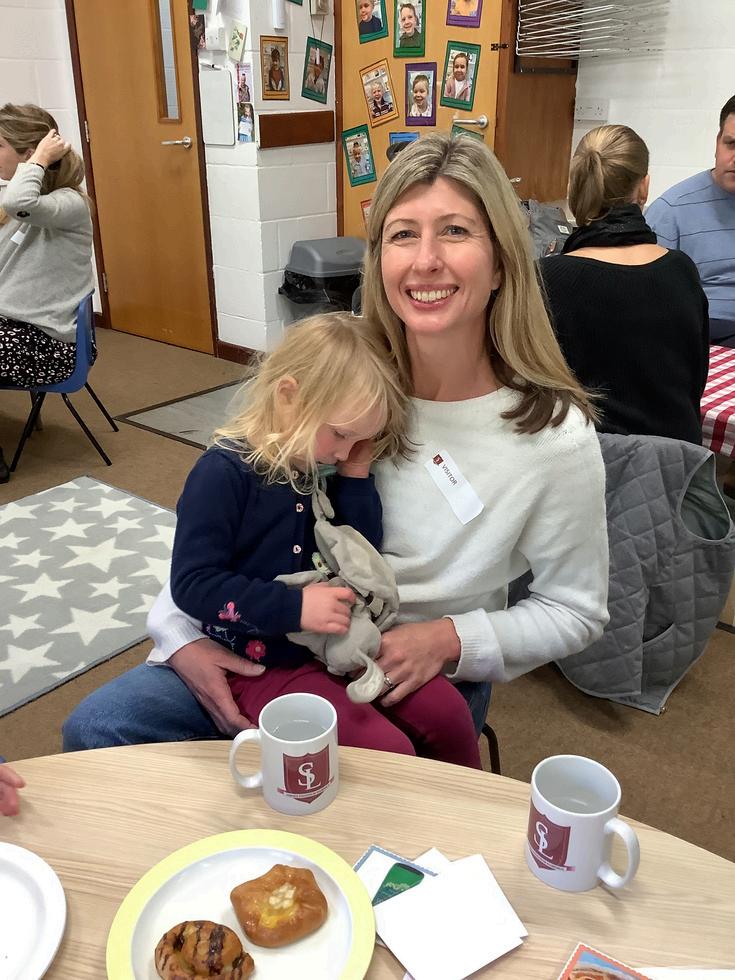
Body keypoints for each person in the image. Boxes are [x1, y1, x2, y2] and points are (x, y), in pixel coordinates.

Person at [63, 133, 609, 755]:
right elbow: (225, 522)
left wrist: (450, 640)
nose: (425, 260)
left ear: (503, 261)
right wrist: (180, 637)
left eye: (455, 231)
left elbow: (575, 612)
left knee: (375, 775)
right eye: (402, 234)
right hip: (271, 628)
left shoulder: (552, 434)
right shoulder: (340, 372)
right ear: (378, 260)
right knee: (98, 728)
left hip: (407, 661)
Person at [165, 313, 482, 768]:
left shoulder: (318, 463)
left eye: (359, 440)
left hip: (336, 643)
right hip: (265, 660)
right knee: (385, 751)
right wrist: (294, 607)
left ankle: (466, 805)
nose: (344, 451)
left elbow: (359, 550)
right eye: (341, 435)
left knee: (448, 713)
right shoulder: (222, 474)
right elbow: (193, 585)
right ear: (288, 396)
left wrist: (355, 475)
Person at [540, 125, 709, 445]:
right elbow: (694, 384)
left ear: (573, 186)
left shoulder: (549, 279)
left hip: (591, 464)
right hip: (679, 463)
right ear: (644, 187)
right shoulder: (682, 270)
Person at [0, 103, 94, 482]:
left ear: (29, 154)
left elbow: (20, 204)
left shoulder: (68, 203)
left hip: (49, 343)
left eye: (0, 146)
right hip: (12, 327)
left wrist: (39, 159)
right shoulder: (15, 197)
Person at [646, 95, 735, 347]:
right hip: (704, 333)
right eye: (731, 144)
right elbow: (647, 301)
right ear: (717, 143)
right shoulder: (670, 211)